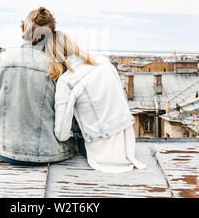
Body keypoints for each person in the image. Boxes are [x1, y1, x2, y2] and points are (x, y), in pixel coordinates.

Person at [0, 7, 76, 165]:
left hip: (3, 149)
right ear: (50, 35)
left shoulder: (3, 59)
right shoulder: (56, 67)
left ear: (24, 29)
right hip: (44, 153)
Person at [47, 30, 147, 173]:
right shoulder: (103, 62)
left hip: (103, 152)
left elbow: (61, 134)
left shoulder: (67, 81)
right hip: (127, 143)